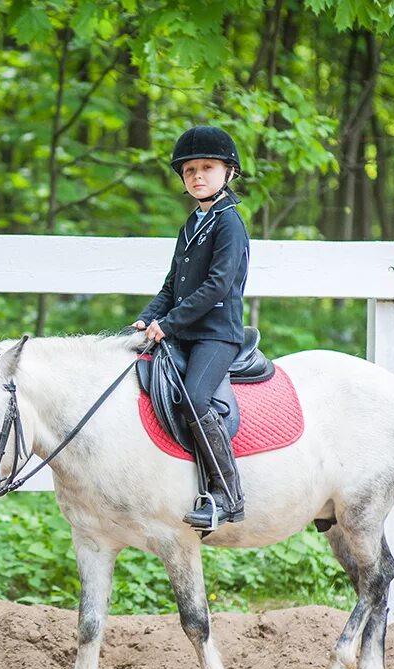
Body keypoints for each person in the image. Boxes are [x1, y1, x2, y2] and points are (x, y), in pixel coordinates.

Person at [133, 125, 249, 530]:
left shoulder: (229, 224)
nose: (197, 175)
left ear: (228, 172)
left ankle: (228, 495)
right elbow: (173, 284)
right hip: (183, 329)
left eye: (207, 167)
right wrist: (148, 317)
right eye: (190, 170)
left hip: (217, 333)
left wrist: (169, 323)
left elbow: (216, 284)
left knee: (196, 398)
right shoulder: (192, 224)